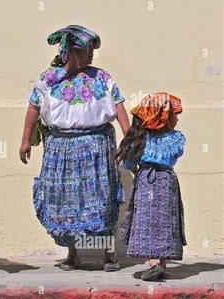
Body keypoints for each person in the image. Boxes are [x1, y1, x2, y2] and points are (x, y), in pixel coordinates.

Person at [19, 25, 130, 272]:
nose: (91, 55)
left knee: (101, 198)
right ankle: (73, 253)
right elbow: (33, 109)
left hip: (96, 144)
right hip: (61, 147)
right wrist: (25, 140)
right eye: (85, 50)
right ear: (69, 51)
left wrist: (128, 138)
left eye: (92, 50)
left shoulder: (102, 78)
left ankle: (108, 253)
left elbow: (119, 106)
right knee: (65, 200)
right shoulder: (47, 79)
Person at [115, 92, 186, 281]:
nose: (177, 119)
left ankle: (154, 263)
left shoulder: (138, 138)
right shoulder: (176, 138)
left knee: (145, 221)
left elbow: (129, 164)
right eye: (174, 115)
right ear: (162, 117)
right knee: (165, 221)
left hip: (146, 180)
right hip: (167, 181)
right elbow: (175, 156)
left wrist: (140, 173)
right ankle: (161, 265)